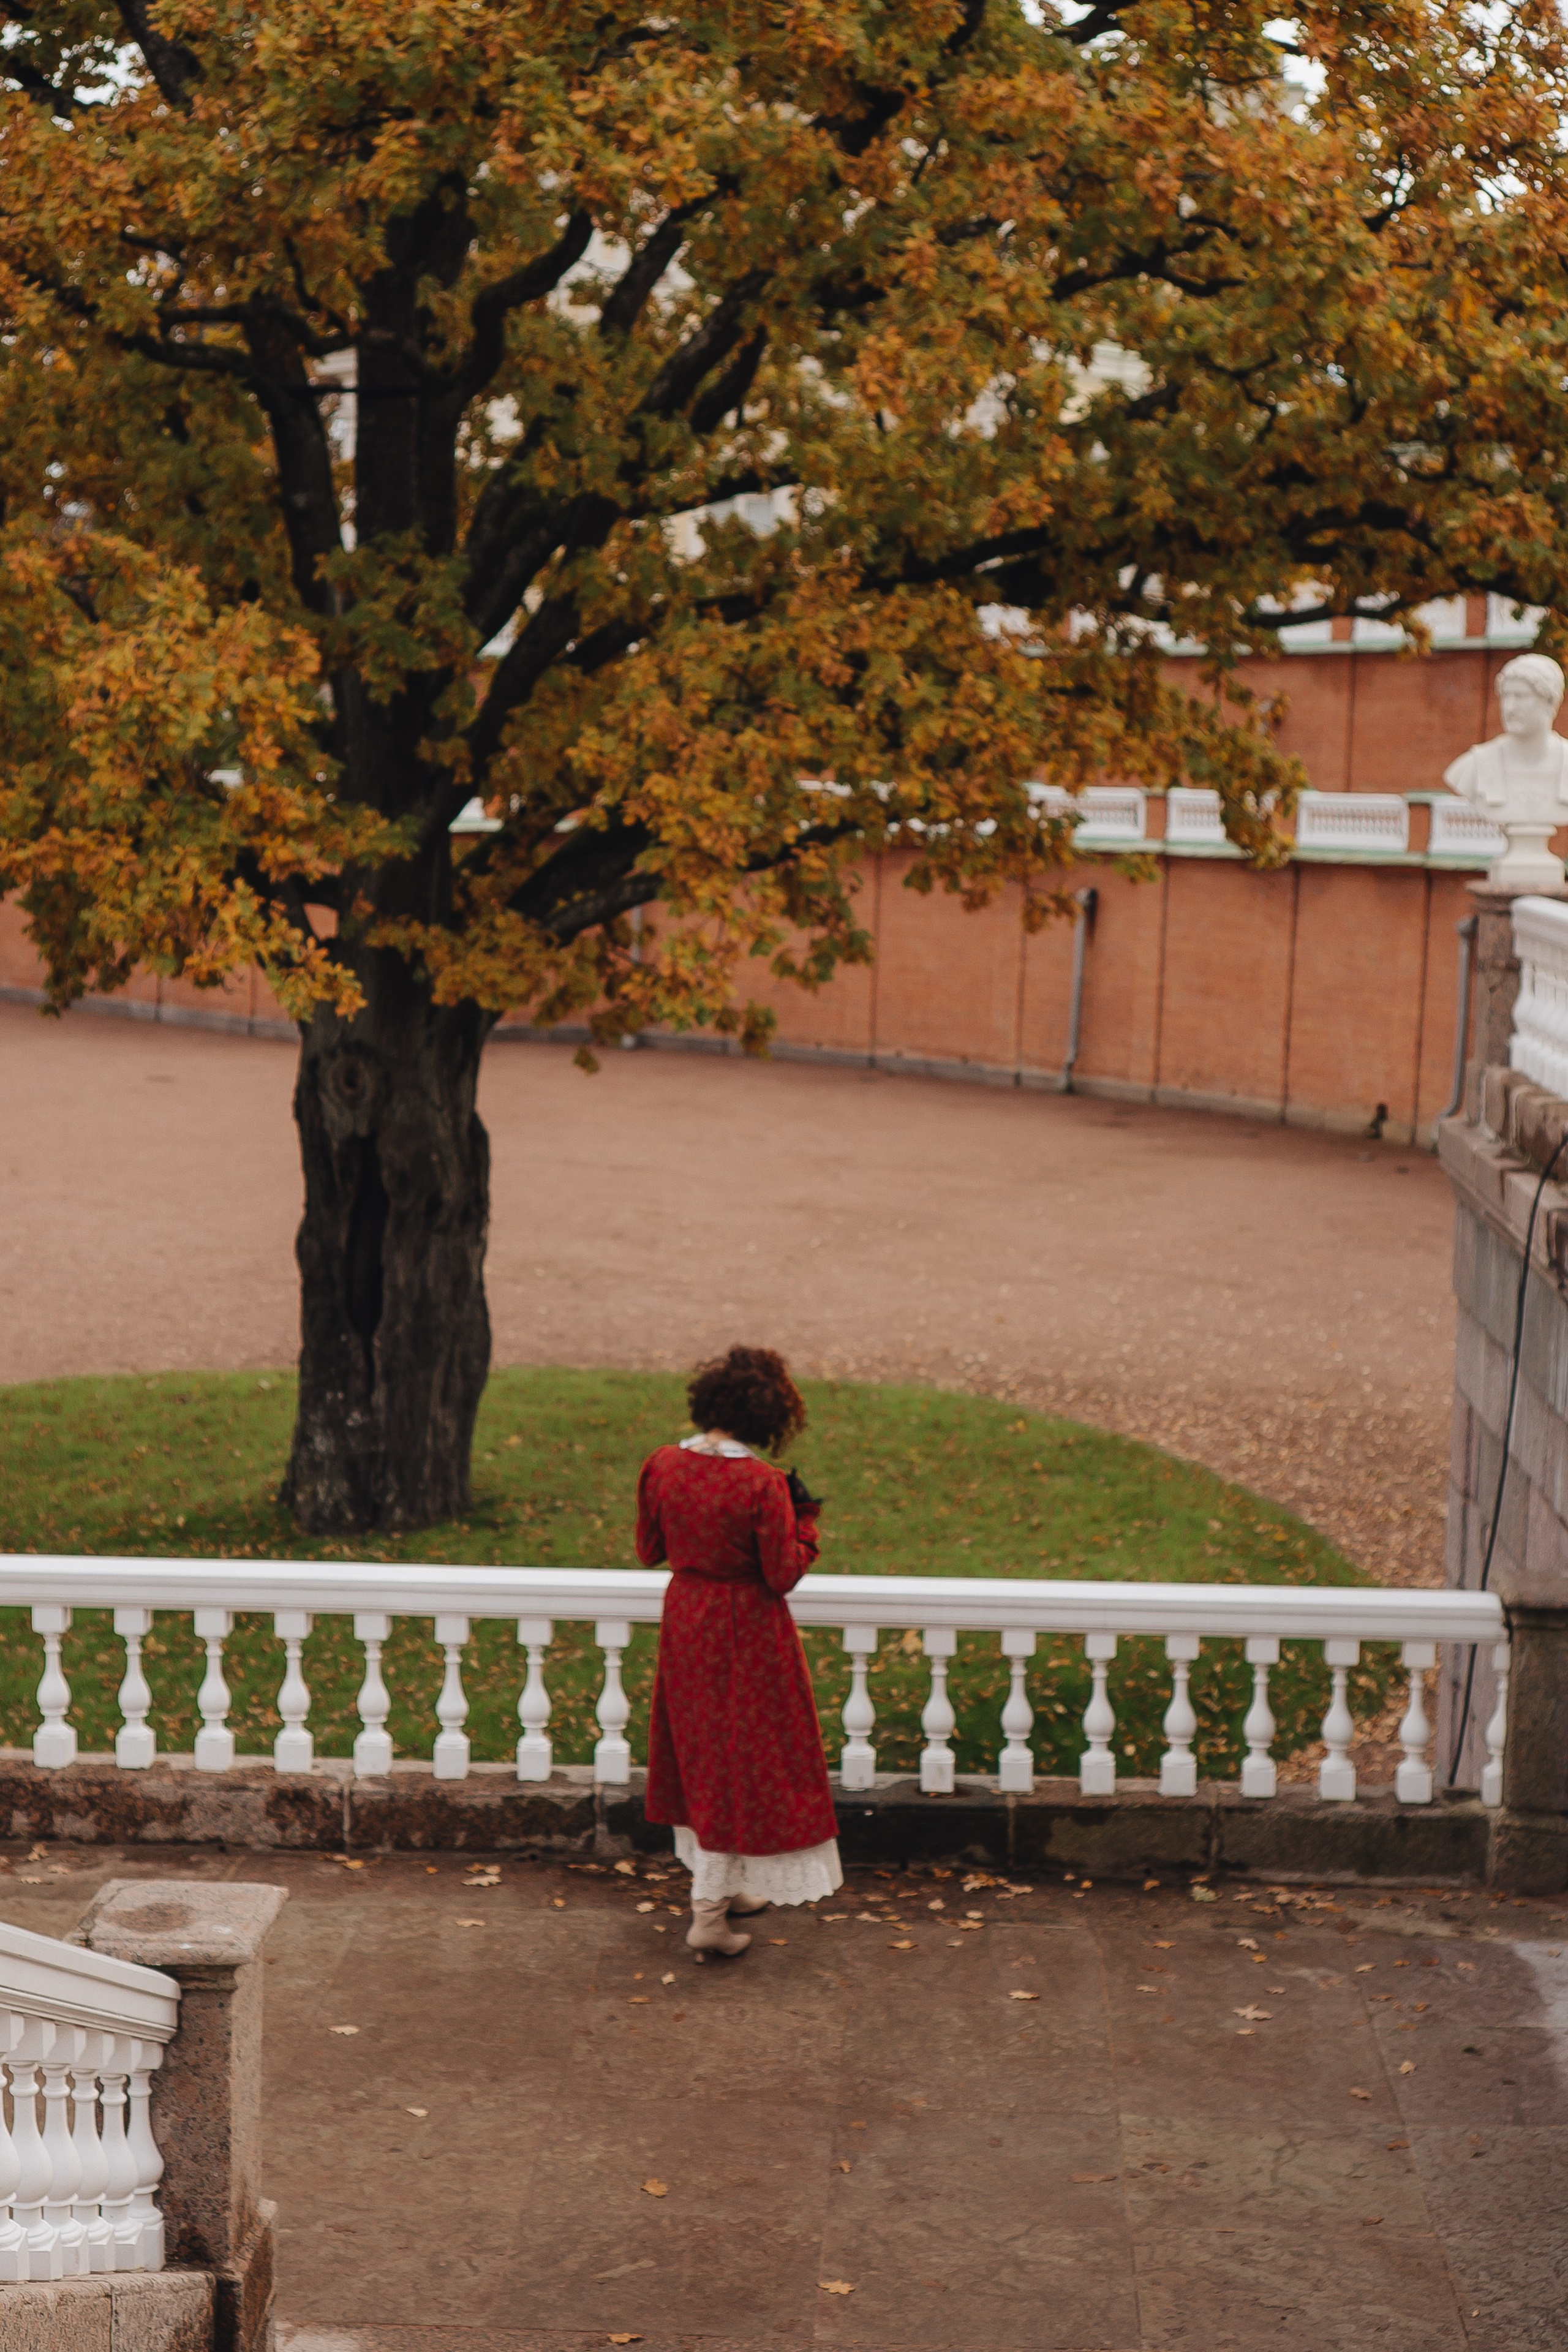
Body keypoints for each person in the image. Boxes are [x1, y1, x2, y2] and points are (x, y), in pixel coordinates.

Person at [636, 1344, 843, 1956]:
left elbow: (650, 1549)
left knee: (700, 1751)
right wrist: (804, 1519)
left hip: (686, 1620)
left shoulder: (662, 1465)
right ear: (768, 1417)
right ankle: (707, 1918)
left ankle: (726, 1887)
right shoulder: (761, 1484)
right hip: (748, 1633)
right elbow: (781, 1573)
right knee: (745, 1756)